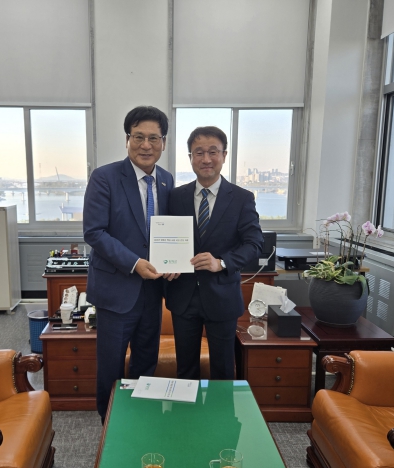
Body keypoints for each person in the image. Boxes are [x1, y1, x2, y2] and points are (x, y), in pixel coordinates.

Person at [83, 106, 174, 421]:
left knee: (146, 362)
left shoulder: (166, 181)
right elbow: (94, 232)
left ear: (163, 143)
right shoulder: (105, 177)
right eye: (138, 137)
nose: (146, 145)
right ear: (127, 140)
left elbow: (170, 232)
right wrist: (134, 263)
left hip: (152, 291)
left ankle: (140, 421)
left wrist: (175, 259)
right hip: (116, 290)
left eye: (153, 138)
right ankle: (110, 424)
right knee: (111, 365)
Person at [166, 126, 264, 380]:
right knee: (185, 371)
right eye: (199, 153)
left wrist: (221, 262)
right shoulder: (175, 197)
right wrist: (166, 261)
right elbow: (165, 237)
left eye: (213, 152)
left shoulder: (242, 198)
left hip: (222, 296)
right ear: (190, 157)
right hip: (183, 296)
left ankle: (222, 409)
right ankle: (187, 408)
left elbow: (254, 244)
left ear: (224, 155)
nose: (206, 159)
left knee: (223, 370)